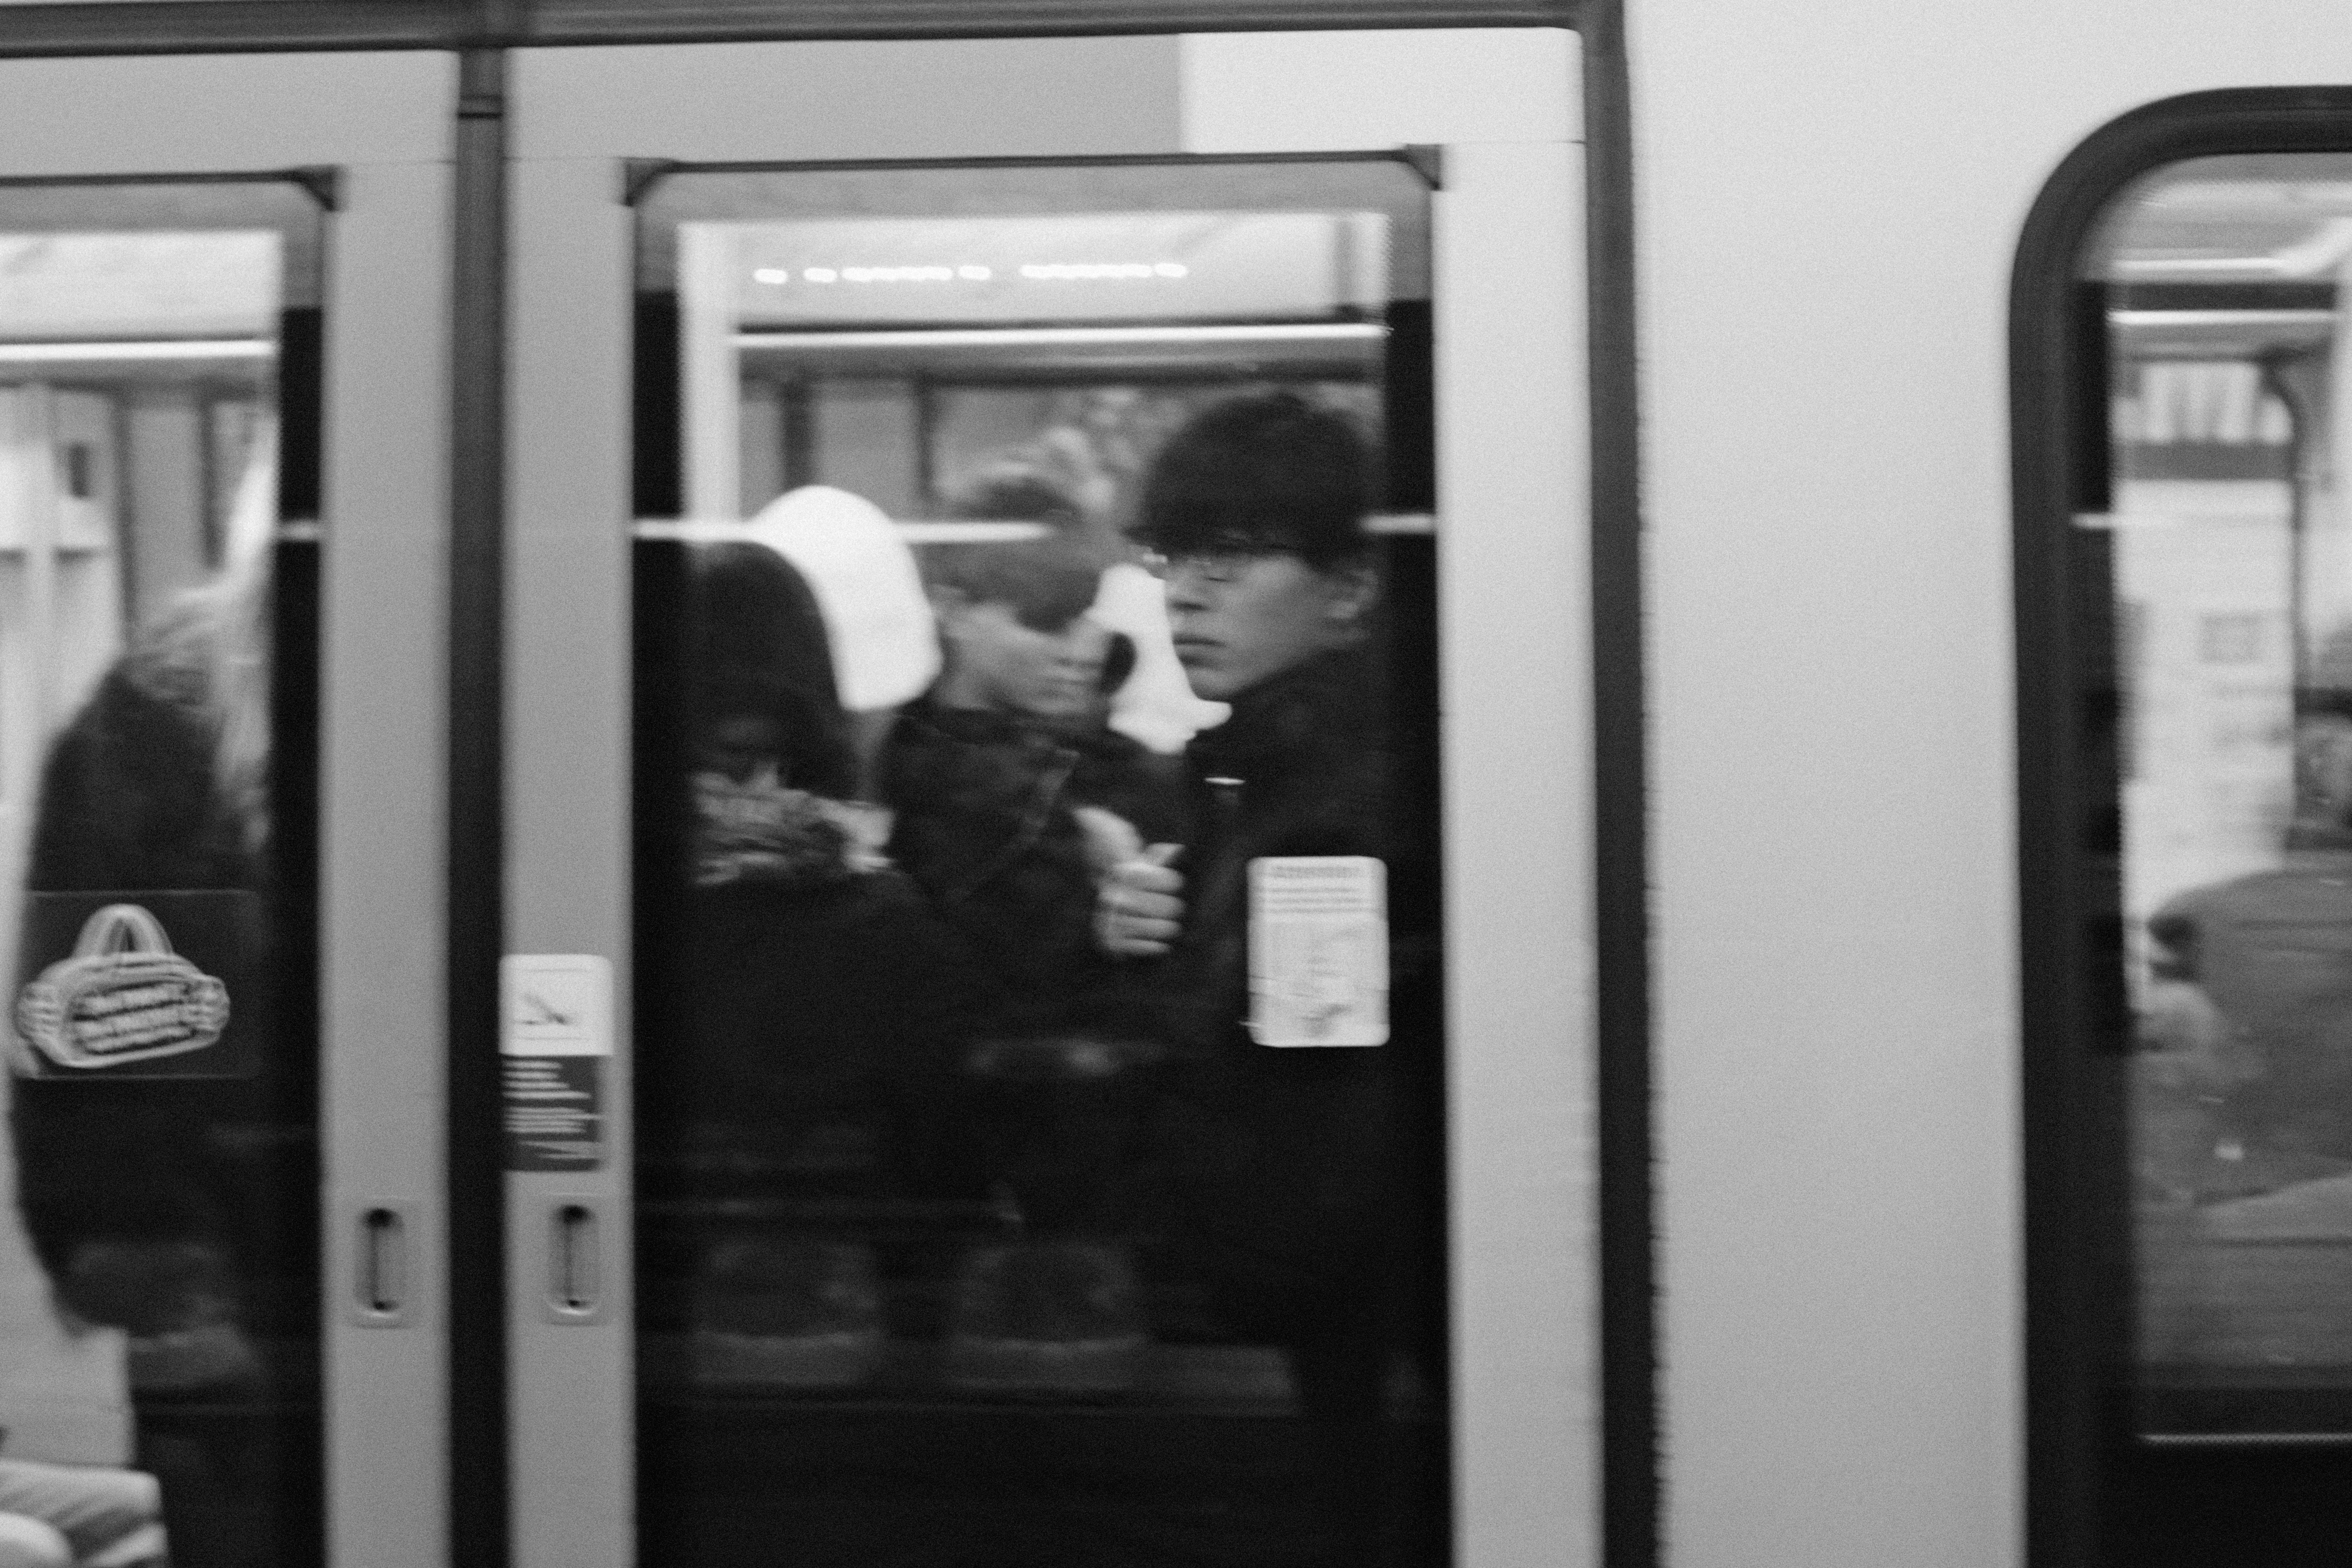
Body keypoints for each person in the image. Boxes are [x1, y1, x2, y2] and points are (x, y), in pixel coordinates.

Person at [1094, 390, 1447, 1565]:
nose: (1182, 594)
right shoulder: (1257, 770)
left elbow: (1310, 1080)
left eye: (1233, 559)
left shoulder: (1347, 800)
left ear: (1349, 590)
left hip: (1340, 1324)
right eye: (1170, 556)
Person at [881, 525, 1182, 1043]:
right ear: (953, 609)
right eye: (1042, 622)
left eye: (1080, 621)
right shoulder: (894, 762)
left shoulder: (1098, 775)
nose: (1078, 652)